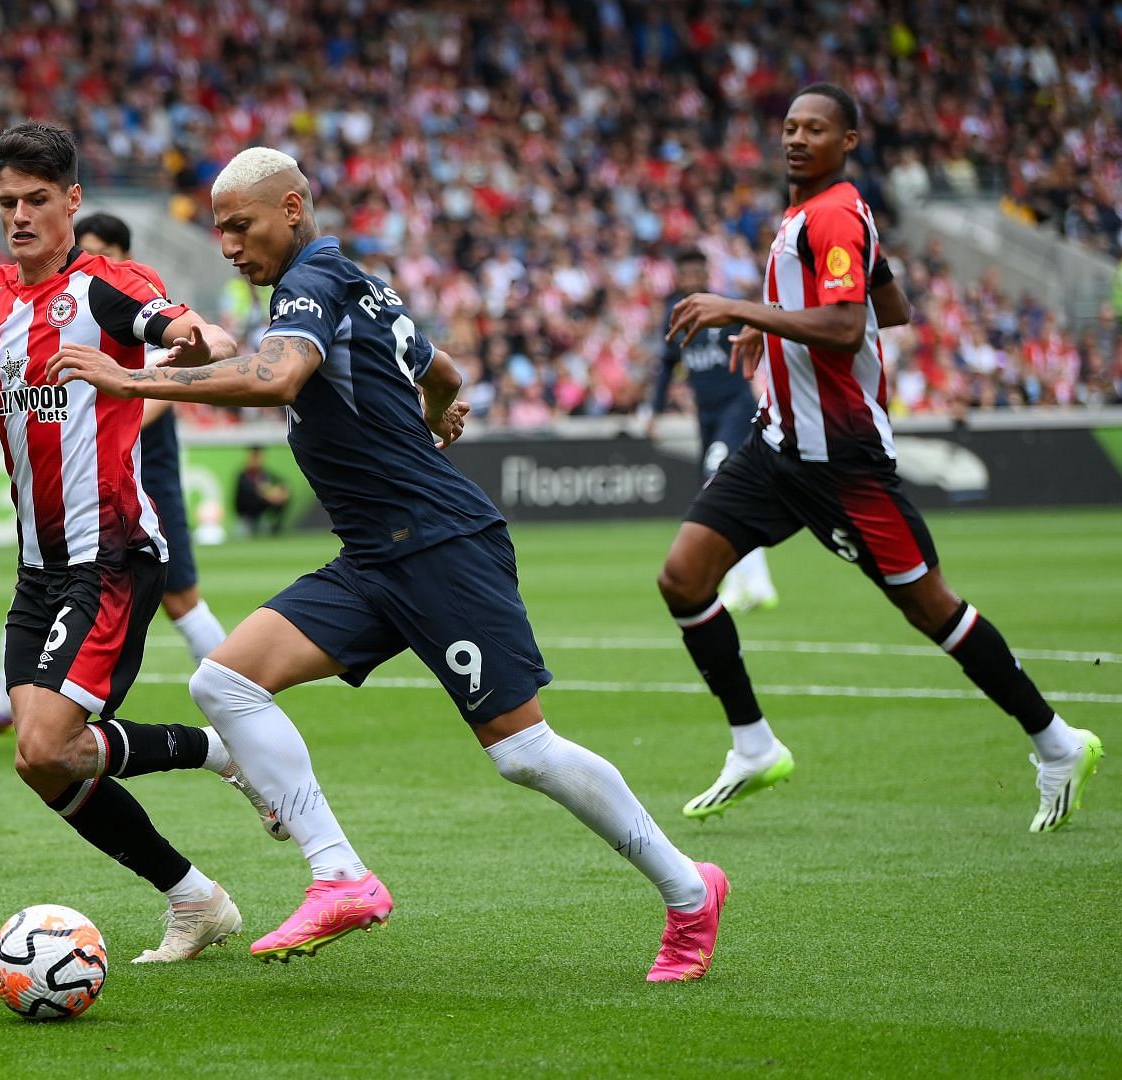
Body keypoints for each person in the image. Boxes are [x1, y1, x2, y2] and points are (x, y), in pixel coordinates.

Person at [51, 146, 730, 981]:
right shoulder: (355, 283)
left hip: (440, 545)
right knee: (222, 681)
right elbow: (440, 368)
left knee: (523, 752)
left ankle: (690, 891)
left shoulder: (311, 283)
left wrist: (131, 380)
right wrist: (441, 411)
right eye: (219, 228)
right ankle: (339, 875)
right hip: (375, 554)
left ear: (293, 209)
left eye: (241, 224)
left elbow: (279, 375)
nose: (227, 244)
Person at [658, 84, 1102, 831]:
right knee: (683, 578)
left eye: (816, 128)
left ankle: (1058, 742)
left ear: (848, 141)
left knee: (932, 609)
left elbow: (843, 326)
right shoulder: (823, 212)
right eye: (791, 127)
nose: (797, 138)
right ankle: (754, 745)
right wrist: (766, 330)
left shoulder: (831, 213)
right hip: (777, 447)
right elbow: (890, 306)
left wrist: (740, 309)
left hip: (843, 464)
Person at [0, 122, 276, 964]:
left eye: (37, 200)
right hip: (37, 571)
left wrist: (183, 348)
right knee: (43, 763)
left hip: (111, 555)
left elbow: (209, 338)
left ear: (71, 200)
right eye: (7, 202)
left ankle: (220, 751)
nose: (19, 216)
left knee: (48, 745)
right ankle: (197, 898)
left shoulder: (109, 288)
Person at [0, 212, 228, 743]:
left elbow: (195, 354)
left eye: (100, 250)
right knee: (43, 748)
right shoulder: (1, 304)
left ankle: (234, 703)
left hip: (134, 486)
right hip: (53, 523)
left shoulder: (125, 297)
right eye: (9, 201)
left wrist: (114, 403)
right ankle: (6, 701)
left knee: (182, 598)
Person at [646, 248, 778, 612]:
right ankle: (758, 583)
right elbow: (667, 365)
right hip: (706, 415)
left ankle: (736, 581)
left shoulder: (727, 309)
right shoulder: (676, 317)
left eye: (696, 273)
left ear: (705, 274)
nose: (691, 280)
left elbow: (765, 331)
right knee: (723, 490)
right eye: (685, 274)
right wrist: (654, 412)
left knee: (716, 480)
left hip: (737, 407)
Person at [233, 445, 291, 536]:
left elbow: (282, 484)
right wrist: (268, 494)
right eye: (254, 456)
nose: (257, 460)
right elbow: (252, 491)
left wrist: (280, 492)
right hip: (247, 515)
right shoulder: (243, 476)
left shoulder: (266, 474)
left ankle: (276, 527)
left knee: (281, 495)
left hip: (262, 512)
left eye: (259, 456)